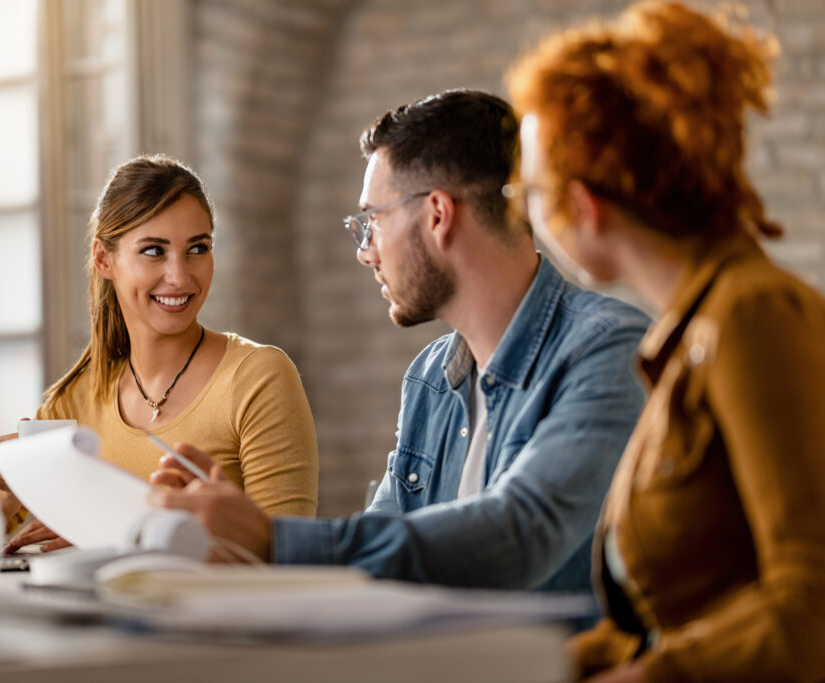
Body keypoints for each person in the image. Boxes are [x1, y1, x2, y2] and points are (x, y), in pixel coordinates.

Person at [149, 90, 650, 592]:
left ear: (437, 215)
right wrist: (237, 540)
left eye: (373, 221)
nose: (366, 253)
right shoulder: (430, 377)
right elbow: (382, 549)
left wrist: (273, 541)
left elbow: (522, 534)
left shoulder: (610, 349)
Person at [504, 2, 825, 680]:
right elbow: (649, 627)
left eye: (528, 189)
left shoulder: (753, 315)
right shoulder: (692, 333)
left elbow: (811, 607)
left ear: (584, 203)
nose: (522, 206)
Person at [0, 154, 319, 550]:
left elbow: (288, 555)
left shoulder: (258, 377)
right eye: (154, 251)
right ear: (105, 260)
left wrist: (104, 533)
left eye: (198, 248)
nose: (180, 276)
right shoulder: (75, 400)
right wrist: (19, 481)